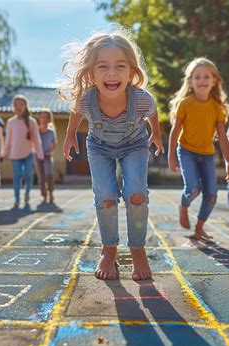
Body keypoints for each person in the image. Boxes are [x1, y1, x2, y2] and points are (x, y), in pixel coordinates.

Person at [61, 30, 164, 281]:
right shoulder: (86, 99)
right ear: (91, 73)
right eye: (103, 67)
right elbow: (76, 111)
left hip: (135, 145)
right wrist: (70, 134)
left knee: (136, 194)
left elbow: (153, 113)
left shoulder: (141, 99)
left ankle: (137, 250)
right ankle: (109, 251)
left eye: (120, 66)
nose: (111, 74)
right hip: (99, 147)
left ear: (131, 72)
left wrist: (157, 136)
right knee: (105, 196)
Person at [168, 57, 229, 240]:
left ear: (214, 81)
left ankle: (199, 227)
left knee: (212, 195)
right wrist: (171, 157)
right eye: (197, 77)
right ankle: (184, 205)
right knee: (193, 189)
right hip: (187, 150)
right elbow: (175, 131)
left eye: (206, 77)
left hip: (206, 155)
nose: (202, 80)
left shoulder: (216, 108)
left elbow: (222, 137)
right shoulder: (185, 104)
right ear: (190, 82)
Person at [2, 95, 43, 208]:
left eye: (21, 104)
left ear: (25, 106)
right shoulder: (11, 122)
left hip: (28, 153)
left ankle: (27, 195)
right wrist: (4, 154)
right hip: (15, 155)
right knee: (17, 176)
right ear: (13, 107)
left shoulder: (31, 121)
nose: (18, 107)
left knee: (28, 175)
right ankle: (17, 199)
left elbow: (36, 139)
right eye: (16, 104)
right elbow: (8, 140)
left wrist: (40, 154)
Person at [35, 109, 57, 203]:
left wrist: (51, 152)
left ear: (49, 119)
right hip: (38, 156)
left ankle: (51, 193)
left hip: (48, 155)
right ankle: (44, 195)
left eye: (46, 117)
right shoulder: (36, 131)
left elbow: (54, 143)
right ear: (40, 118)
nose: (44, 119)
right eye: (42, 117)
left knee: (49, 174)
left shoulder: (51, 132)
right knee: (41, 176)